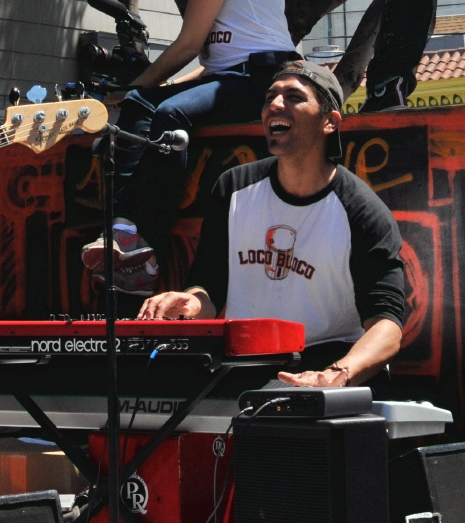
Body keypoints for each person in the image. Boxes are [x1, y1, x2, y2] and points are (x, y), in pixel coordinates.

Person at [81, 0, 297, 297]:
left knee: (168, 113)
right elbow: (217, 57)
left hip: (261, 79)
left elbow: (189, 43)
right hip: (245, 73)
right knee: (147, 104)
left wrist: (135, 87)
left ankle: (146, 247)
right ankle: (122, 227)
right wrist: (147, 91)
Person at [139, 60, 403, 389]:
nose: (275, 105)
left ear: (329, 122)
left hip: (319, 367)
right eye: (270, 97)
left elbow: (387, 326)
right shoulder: (233, 188)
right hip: (239, 368)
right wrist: (192, 301)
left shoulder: (361, 211)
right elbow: (209, 284)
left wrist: (338, 374)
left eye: (294, 97)